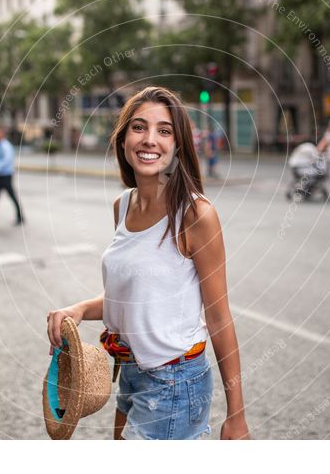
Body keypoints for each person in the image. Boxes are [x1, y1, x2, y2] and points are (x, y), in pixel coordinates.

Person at [46, 86, 250, 440]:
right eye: (139, 127)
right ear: (123, 138)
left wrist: (237, 415)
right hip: (130, 372)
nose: (150, 139)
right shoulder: (122, 206)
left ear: (177, 146)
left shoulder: (195, 215)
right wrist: (77, 309)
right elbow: (133, 299)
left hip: (175, 381)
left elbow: (218, 316)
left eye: (164, 130)